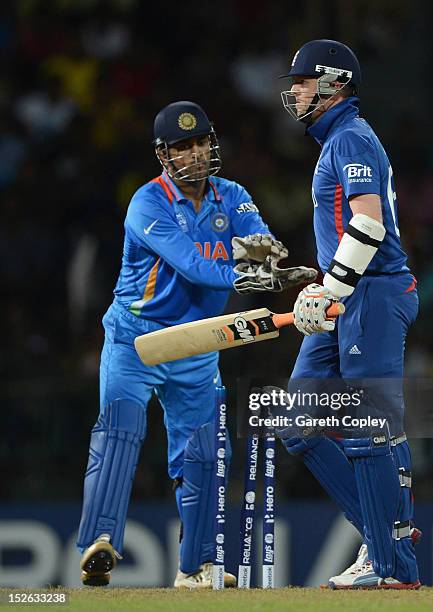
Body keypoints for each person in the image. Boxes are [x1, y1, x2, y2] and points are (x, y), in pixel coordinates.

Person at [76, 100, 317, 589]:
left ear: (212, 144)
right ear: (163, 155)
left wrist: (273, 266)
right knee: (120, 429)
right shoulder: (148, 202)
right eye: (182, 147)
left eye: (201, 142)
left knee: (206, 451)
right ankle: (100, 540)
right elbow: (196, 266)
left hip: (198, 343)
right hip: (136, 339)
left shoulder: (234, 196)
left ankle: (198, 566)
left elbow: (261, 244)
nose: (194, 154)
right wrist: (257, 275)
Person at [278, 40, 421, 589]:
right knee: (297, 425)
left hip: (373, 293)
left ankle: (389, 566)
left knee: (370, 425)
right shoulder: (337, 140)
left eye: (303, 80)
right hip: (347, 294)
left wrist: (330, 289)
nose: (294, 90)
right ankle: (385, 536)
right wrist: (320, 284)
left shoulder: (353, 138)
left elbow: (368, 225)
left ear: (335, 82)